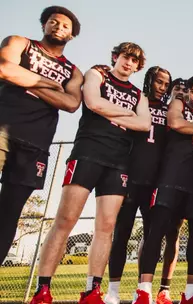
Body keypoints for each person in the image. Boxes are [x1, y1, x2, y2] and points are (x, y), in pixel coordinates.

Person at [32, 42, 150, 304]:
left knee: (106, 227)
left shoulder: (138, 94)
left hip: (119, 161)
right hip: (87, 154)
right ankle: (43, 289)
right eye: (125, 57)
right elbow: (93, 103)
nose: (129, 63)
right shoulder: (98, 74)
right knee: (65, 220)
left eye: (134, 60)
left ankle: (93, 289)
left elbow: (144, 124)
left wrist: (114, 112)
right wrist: (125, 114)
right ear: (116, 57)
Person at [0, 5, 82, 266]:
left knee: (9, 215)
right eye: (53, 22)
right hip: (2, 130)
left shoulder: (73, 71)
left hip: (35, 145)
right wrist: (46, 82)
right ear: (44, 25)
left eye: (65, 26)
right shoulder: (20, 43)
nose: (59, 27)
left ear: (71, 36)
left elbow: (70, 103)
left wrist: (26, 80)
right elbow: (4, 69)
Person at [132, 76, 193, 304]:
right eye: (192, 91)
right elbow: (176, 123)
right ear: (186, 92)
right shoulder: (178, 105)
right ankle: (144, 289)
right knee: (156, 233)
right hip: (171, 177)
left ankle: (191, 292)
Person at [104, 66, 175, 304]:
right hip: (130, 177)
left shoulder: (169, 111)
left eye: (166, 84)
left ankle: (143, 289)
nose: (162, 87)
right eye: (159, 82)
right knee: (121, 234)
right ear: (149, 81)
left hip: (155, 181)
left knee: (153, 235)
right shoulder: (136, 102)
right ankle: (112, 289)